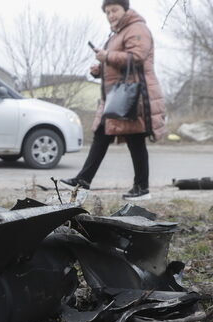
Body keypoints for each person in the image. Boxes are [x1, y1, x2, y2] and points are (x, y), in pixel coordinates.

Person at [60, 0, 166, 201]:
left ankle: (141, 188)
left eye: (114, 10)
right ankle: (83, 180)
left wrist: (107, 56)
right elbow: (118, 62)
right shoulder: (118, 33)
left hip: (134, 96)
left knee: (135, 140)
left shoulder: (137, 28)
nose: (111, 15)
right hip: (116, 98)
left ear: (125, 9)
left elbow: (136, 57)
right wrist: (100, 68)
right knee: (101, 134)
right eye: (107, 12)